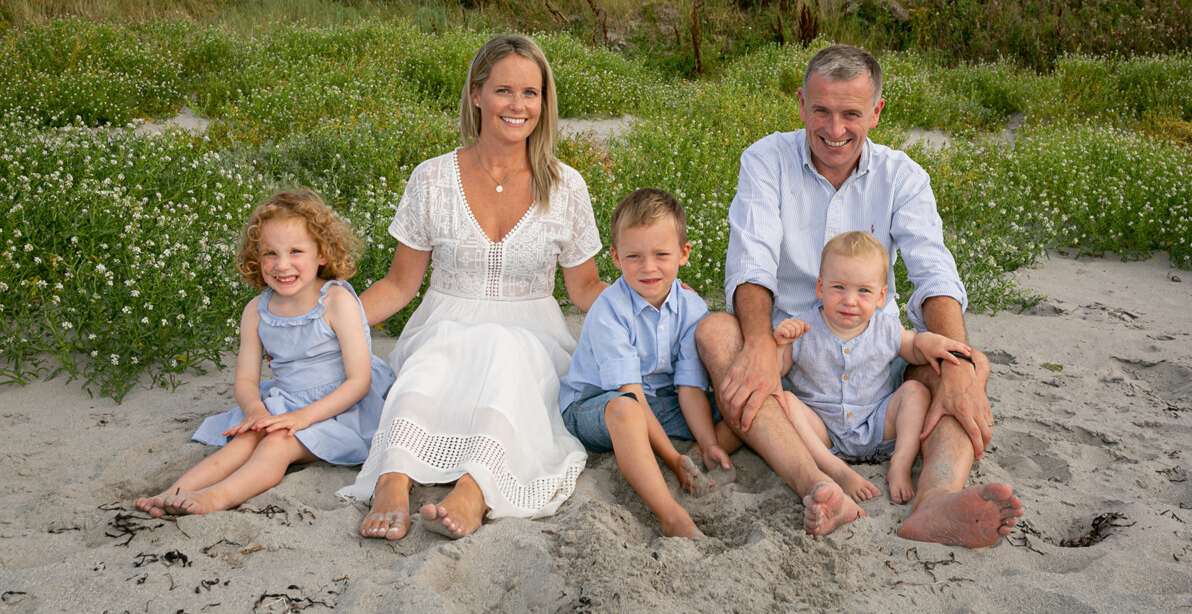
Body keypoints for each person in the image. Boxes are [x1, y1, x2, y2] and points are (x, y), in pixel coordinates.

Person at [696, 43, 1022, 546]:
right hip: (792, 352)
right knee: (717, 332)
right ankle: (819, 485)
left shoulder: (902, 175)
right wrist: (762, 343)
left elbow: (934, 271)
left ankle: (934, 501)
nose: (834, 129)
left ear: (876, 112)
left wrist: (959, 366)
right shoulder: (766, 160)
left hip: (878, 366)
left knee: (963, 363)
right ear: (801, 104)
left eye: (851, 113)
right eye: (821, 111)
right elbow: (751, 260)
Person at [340, 34, 606, 540]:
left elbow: (585, 287)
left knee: (509, 353)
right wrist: (326, 324)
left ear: (544, 103)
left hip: (532, 333)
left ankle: (473, 490)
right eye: (504, 90)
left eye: (531, 93)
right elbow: (399, 287)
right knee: (430, 361)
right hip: (445, 321)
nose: (518, 105)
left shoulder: (566, 184)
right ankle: (392, 481)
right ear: (477, 94)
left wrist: (650, 303)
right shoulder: (432, 178)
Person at [134, 189, 394, 517]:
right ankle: (172, 492)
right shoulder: (256, 311)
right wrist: (255, 409)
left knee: (276, 443)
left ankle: (215, 498)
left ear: (322, 254)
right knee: (247, 438)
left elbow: (359, 381)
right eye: (270, 253)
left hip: (343, 408)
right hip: (287, 400)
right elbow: (245, 379)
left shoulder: (337, 302)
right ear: (257, 256)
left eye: (296, 251)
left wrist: (303, 418)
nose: (282, 265)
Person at [560, 189, 741, 540]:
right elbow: (632, 398)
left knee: (738, 404)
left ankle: (698, 452)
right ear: (614, 257)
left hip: (664, 401)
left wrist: (706, 441)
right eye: (634, 256)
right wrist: (673, 460)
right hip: (599, 406)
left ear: (683, 254)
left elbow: (689, 386)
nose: (648, 267)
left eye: (661, 254)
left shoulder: (691, 307)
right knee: (628, 413)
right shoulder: (609, 310)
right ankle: (669, 513)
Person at [772, 231, 972, 506]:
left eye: (863, 291)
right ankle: (834, 469)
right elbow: (776, 371)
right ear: (820, 287)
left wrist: (931, 342)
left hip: (877, 422)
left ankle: (900, 464)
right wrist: (781, 345)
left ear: (881, 297)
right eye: (838, 287)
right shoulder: (803, 327)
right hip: (822, 429)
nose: (850, 300)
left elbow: (913, 346)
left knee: (914, 391)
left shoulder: (886, 327)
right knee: (785, 402)